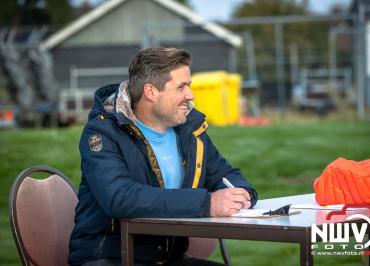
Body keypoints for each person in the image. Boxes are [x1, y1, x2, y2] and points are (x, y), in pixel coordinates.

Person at [69, 47, 258, 266]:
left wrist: (243, 194)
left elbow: (225, 174)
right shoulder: (102, 132)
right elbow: (119, 198)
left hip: (169, 259)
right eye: (181, 87)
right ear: (151, 92)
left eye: (189, 85)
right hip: (109, 258)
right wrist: (207, 203)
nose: (191, 95)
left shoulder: (190, 129)